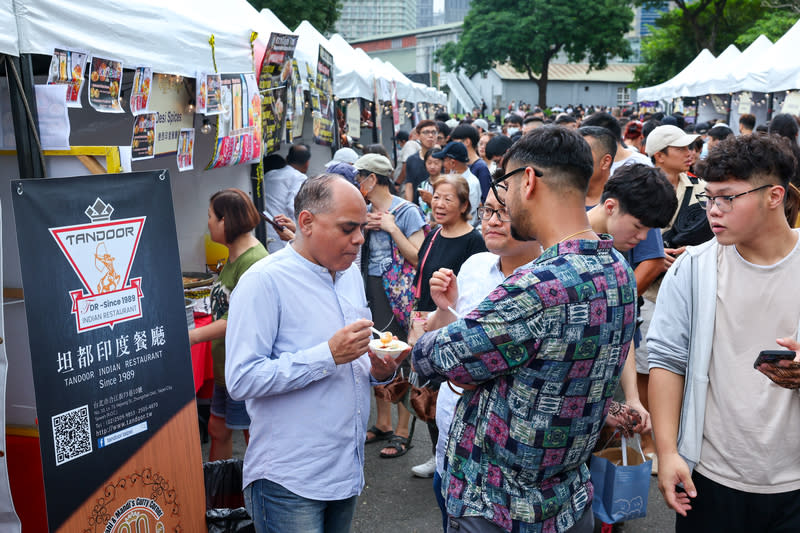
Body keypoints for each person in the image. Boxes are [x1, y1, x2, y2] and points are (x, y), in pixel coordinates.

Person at [412, 126, 637, 533]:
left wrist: (422, 341)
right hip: (568, 497)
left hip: (501, 507)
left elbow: (438, 355)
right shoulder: (617, 267)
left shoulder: (538, 285)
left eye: (506, 185)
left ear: (528, 180)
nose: (504, 203)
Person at [225, 174, 406, 533]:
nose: (358, 239)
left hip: (345, 470)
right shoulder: (264, 281)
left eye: (361, 228)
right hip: (289, 478)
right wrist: (327, 355)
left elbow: (356, 360)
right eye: (347, 228)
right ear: (306, 222)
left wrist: (380, 369)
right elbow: (242, 379)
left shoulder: (349, 274)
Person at [647, 133, 800, 532]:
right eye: (708, 198)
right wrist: (667, 453)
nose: (713, 211)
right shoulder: (694, 267)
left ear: (774, 195)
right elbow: (666, 361)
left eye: (727, 198)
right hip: (711, 476)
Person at [424, 188, 543, 531]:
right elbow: (441, 338)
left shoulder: (550, 277)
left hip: (510, 456)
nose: (491, 221)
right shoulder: (475, 265)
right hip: (453, 432)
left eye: (502, 212)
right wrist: (444, 305)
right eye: (486, 211)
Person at [405, 175, 487, 473]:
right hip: (424, 323)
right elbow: (421, 278)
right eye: (436, 197)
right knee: (427, 394)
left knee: (451, 393)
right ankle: (438, 455)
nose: (439, 204)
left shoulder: (475, 241)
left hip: (452, 326)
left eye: (448, 199)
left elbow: (476, 290)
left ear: (465, 205)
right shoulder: (434, 234)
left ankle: (456, 458)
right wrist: (416, 320)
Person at [189, 189, 268, 461]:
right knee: (217, 429)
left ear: (226, 221)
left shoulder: (254, 262)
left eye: (211, 216)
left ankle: (260, 498)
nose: (208, 223)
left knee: (253, 436)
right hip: (228, 366)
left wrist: (192, 336)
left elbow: (236, 318)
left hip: (245, 365)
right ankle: (219, 497)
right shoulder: (234, 255)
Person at [356, 154, 427, 454]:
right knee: (374, 351)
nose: (356, 183)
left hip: (399, 294)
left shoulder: (406, 211)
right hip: (368, 288)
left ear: (373, 179)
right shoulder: (362, 210)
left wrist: (390, 227)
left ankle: (402, 428)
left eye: (359, 177)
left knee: (400, 355)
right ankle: (383, 422)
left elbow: (418, 257)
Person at [263, 143, 310, 253]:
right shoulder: (299, 177)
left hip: (266, 233)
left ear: (287, 158)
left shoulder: (270, 174)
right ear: (307, 164)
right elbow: (293, 207)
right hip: (283, 236)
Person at [432, 141, 482, 227]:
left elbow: (466, 214)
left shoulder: (471, 183)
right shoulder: (451, 175)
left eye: (444, 160)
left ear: (453, 163)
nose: (443, 164)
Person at [450, 124, 492, 202]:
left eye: (456, 143)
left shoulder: (480, 167)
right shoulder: (459, 164)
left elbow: (486, 199)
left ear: (467, 142)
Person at [405, 120, 439, 204]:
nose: (430, 135)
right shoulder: (411, 160)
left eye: (434, 132)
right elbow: (409, 186)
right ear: (418, 136)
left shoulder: (444, 159)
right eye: (426, 132)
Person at [418, 147, 444, 222]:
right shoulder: (422, 186)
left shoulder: (447, 185)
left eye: (436, 163)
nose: (432, 166)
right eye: (429, 163)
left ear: (442, 163)